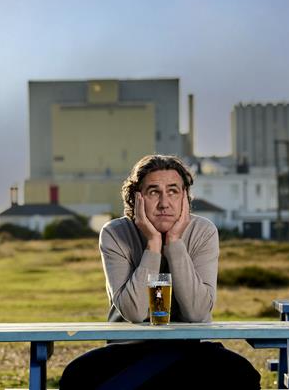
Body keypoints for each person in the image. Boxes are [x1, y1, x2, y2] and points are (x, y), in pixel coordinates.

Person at [60, 154, 261, 389]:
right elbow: (134, 312)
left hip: (190, 348)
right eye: (154, 192)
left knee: (242, 375)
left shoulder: (203, 232)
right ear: (137, 198)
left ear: (184, 198)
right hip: (128, 348)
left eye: (173, 191)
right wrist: (153, 246)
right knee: (76, 376)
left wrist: (174, 242)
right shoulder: (115, 233)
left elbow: (197, 314)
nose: (164, 202)